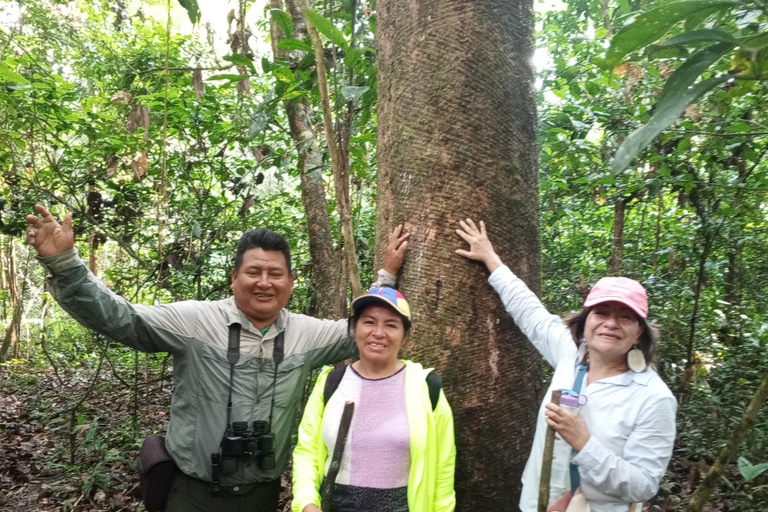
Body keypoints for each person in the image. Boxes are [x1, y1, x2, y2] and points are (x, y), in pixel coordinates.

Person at [24, 204, 410, 512]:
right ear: (233, 277)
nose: (264, 282)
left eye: (276, 274)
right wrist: (66, 266)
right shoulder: (196, 321)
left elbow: (366, 330)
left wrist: (386, 279)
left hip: (262, 495)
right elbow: (123, 319)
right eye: (253, 272)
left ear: (291, 282)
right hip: (192, 494)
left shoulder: (307, 334)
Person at [455, 218, 676, 512]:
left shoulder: (653, 396)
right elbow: (529, 310)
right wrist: (490, 258)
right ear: (585, 321)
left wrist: (585, 444)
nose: (611, 323)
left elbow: (644, 484)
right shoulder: (570, 353)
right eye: (602, 312)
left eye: (626, 317)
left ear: (639, 333)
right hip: (536, 504)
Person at [291, 287, 456, 512]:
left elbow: (442, 467)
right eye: (369, 322)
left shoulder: (427, 388)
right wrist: (307, 503)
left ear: (405, 336)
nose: (378, 333)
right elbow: (307, 451)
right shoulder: (330, 383)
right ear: (354, 328)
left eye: (391, 325)